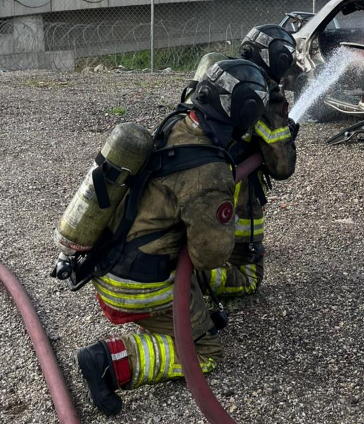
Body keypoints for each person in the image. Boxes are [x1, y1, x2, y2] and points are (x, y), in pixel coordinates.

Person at [74, 60, 270, 415]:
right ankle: (110, 361)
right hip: (138, 288)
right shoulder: (209, 175)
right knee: (205, 352)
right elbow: (209, 256)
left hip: (110, 261)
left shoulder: (179, 123)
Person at [192, 25, 299, 300]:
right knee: (249, 279)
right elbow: (282, 168)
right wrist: (287, 136)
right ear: (279, 60)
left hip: (190, 184)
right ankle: (185, 281)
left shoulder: (221, 75)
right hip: (231, 197)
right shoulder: (262, 96)